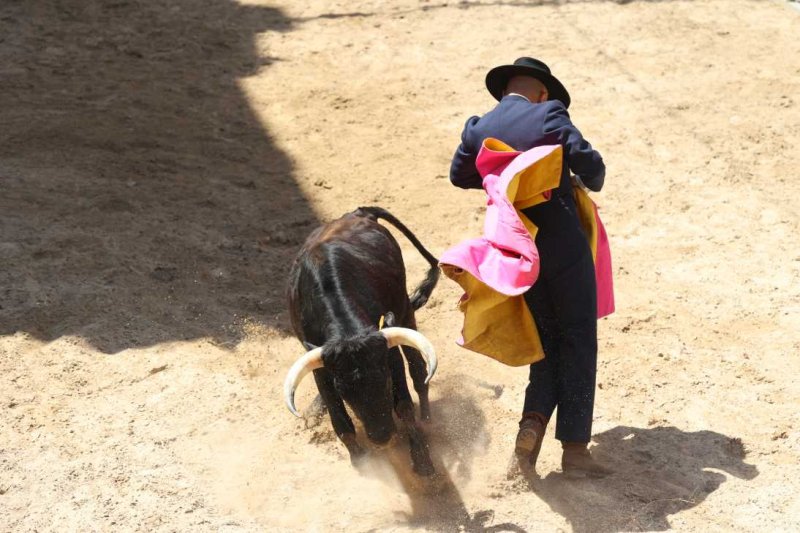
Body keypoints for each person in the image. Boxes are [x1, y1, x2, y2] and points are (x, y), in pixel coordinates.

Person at [449, 57, 611, 477]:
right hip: (561, 243)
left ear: (506, 91)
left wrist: (504, 176)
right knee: (576, 337)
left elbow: (460, 175)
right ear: (542, 92)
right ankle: (575, 451)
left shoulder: (477, 128)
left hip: (515, 248)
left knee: (546, 340)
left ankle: (531, 428)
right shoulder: (549, 114)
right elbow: (592, 167)